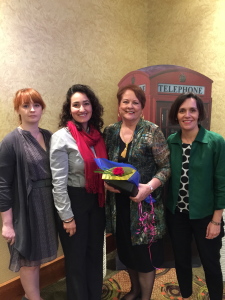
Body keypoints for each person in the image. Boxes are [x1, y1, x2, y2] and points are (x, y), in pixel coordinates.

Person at [103, 84, 170, 300]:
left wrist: (148, 187)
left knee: (144, 257)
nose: (130, 106)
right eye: (125, 102)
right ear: (119, 105)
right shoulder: (111, 131)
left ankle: (145, 297)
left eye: (135, 102)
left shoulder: (152, 131)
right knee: (126, 251)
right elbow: (107, 166)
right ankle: (134, 290)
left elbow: (166, 168)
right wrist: (106, 182)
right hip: (119, 205)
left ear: (142, 106)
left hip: (145, 206)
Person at [50, 84, 107, 300]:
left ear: (92, 106)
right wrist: (67, 217)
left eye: (86, 103)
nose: (82, 109)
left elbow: (103, 169)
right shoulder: (61, 138)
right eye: (76, 105)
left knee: (95, 255)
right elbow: (58, 182)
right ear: (69, 109)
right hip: (74, 202)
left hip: (97, 201)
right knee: (76, 259)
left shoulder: (97, 136)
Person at [166, 92, 225, 300]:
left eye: (192, 110)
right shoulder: (171, 141)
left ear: (200, 114)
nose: (187, 115)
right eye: (182, 110)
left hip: (206, 216)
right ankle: (186, 295)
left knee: (210, 262)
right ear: (176, 114)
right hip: (177, 215)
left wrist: (216, 220)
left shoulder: (215, 142)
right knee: (181, 260)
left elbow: (222, 183)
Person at [0, 88, 58, 300]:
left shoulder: (49, 136)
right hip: (26, 207)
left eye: (36, 105)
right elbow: (3, 184)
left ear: (42, 108)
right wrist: (7, 223)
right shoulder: (10, 142)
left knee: (39, 258)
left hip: (48, 206)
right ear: (18, 110)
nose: (32, 110)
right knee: (28, 259)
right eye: (26, 106)